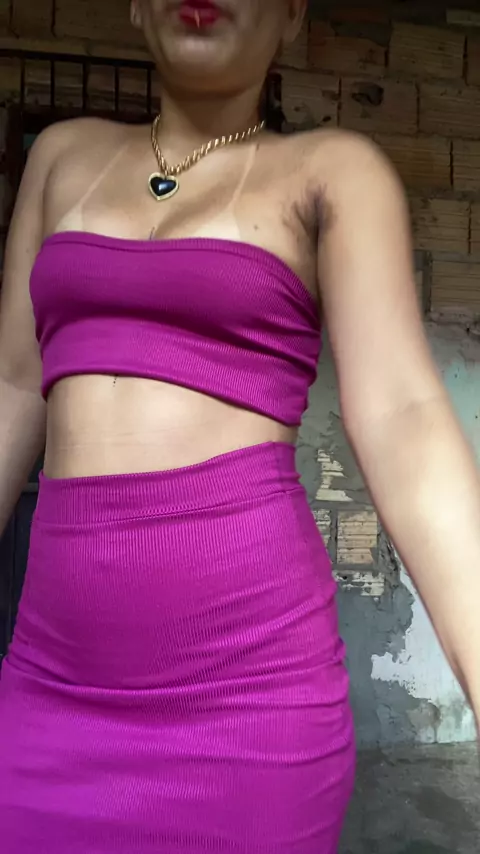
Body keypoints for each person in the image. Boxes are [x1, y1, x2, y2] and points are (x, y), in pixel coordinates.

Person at [1, 0, 480, 851]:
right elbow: (11, 389)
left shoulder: (333, 170)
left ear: (291, 14)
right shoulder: (60, 158)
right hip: (51, 692)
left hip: (249, 710)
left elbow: (405, 418)